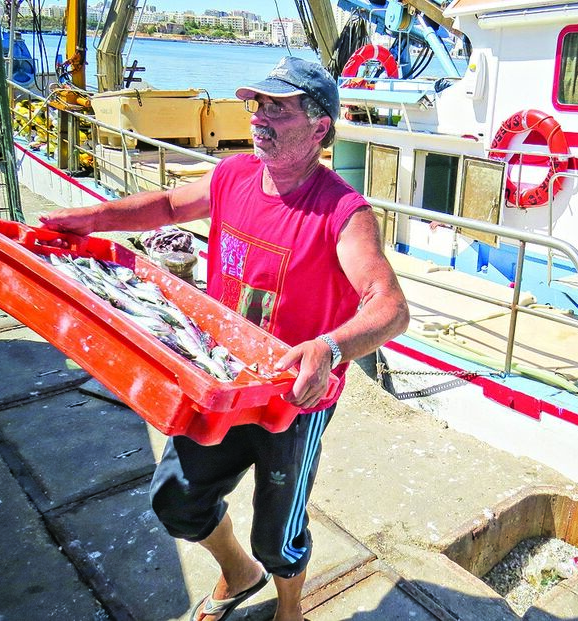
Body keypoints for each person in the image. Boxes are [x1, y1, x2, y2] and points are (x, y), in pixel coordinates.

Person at [40, 57, 409, 621]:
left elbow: (389, 305)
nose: (259, 116)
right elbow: (166, 206)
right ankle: (240, 573)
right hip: (219, 376)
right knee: (176, 500)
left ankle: (289, 611)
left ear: (319, 128)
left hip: (293, 401)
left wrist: (328, 349)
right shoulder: (232, 174)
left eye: (277, 108)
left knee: (278, 531)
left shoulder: (343, 212)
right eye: (256, 104)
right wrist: (94, 219)